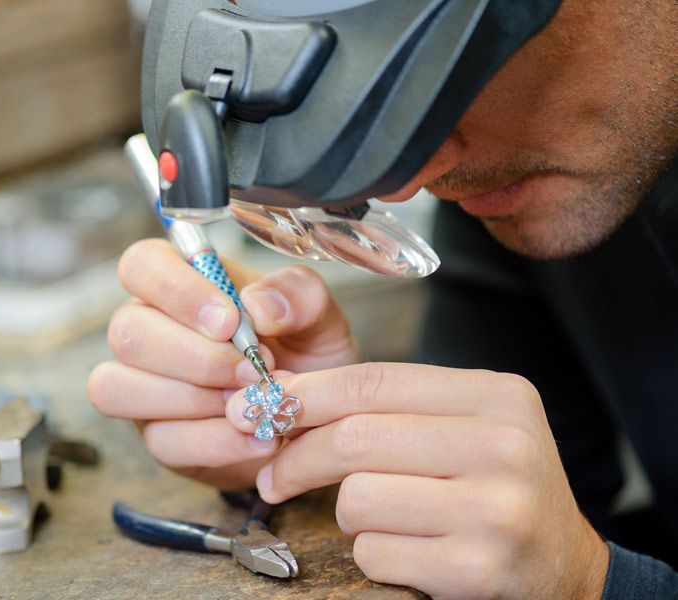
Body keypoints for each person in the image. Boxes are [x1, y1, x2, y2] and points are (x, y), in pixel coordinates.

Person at [88, 0, 677, 597]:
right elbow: (520, 522)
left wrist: (589, 583)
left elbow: (573, 562)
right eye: (405, 76)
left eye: (477, 56)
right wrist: (327, 453)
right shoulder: (518, 178)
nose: (408, 179)